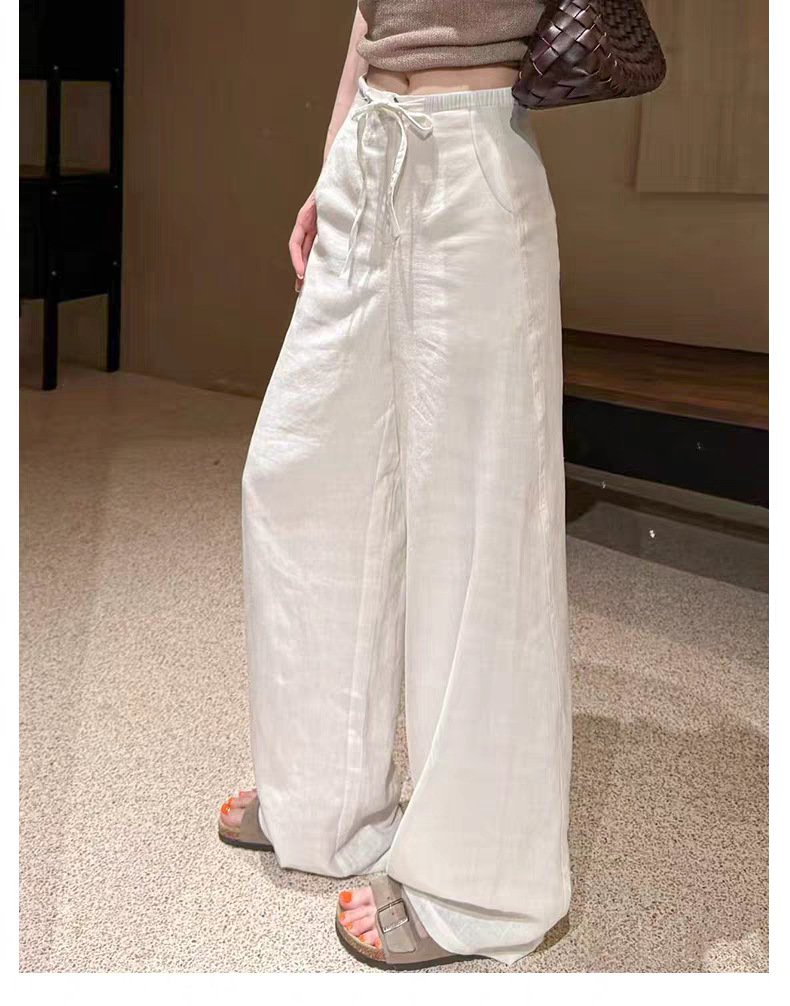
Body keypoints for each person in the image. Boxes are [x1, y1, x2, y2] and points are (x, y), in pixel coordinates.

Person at [218, 1, 571, 969]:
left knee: (477, 527)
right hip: (370, 147)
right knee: (299, 478)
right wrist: (333, 163)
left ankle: (477, 888)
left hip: (473, 151)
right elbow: (369, 14)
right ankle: (325, 800)